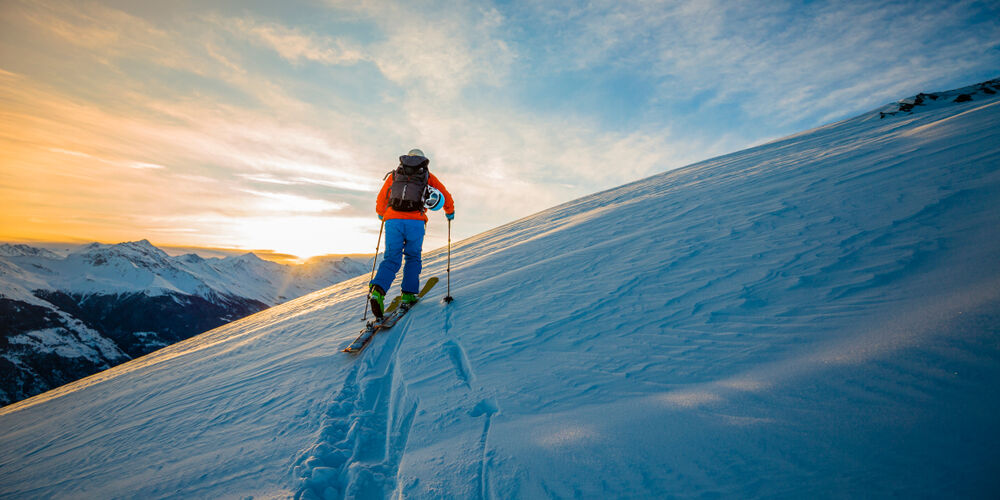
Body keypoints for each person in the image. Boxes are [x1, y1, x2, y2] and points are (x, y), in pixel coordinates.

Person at [369, 148, 454, 319]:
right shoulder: (427, 175)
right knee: (413, 257)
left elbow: (381, 198)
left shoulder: (395, 175)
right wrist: (449, 211)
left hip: (393, 221)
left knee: (391, 258)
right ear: (423, 160)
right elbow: (444, 194)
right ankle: (408, 293)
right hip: (415, 221)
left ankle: (378, 291)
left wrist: (381, 213)